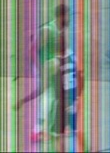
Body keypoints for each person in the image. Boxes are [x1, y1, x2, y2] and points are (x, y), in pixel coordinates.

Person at [16, 21, 85, 152]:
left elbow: (41, 89)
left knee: (57, 137)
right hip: (73, 101)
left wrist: (23, 100)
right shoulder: (72, 56)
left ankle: (38, 131)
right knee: (75, 131)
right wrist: (78, 97)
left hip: (61, 104)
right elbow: (81, 77)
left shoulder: (53, 62)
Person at [25, 4, 69, 143]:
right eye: (67, 16)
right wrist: (40, 68)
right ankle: (37, 130)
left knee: (53, 98)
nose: (68, 19)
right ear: (61, 16)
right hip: (43, 69)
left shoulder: (59, 31)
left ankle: (44, 129)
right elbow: (32, 50)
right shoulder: (48, 30)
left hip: (51, 69)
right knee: (48, 97)